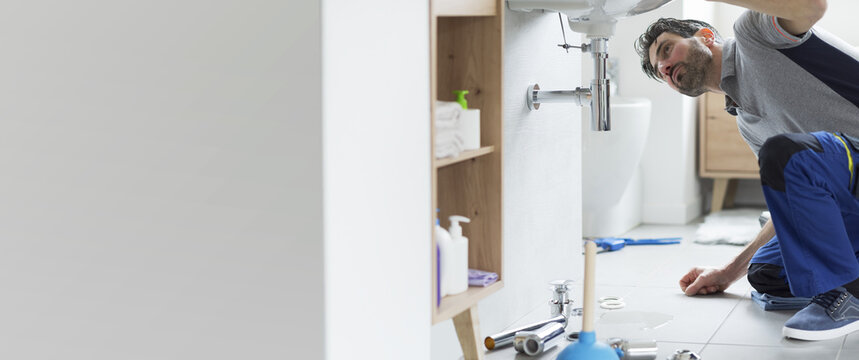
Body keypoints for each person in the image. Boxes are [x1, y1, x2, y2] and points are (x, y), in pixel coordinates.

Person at [634, 0, 859, 341]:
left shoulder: (753, 34)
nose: (665, 67)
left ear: (706, 36)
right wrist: (728, 272)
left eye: (667, 50)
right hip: (845, 182)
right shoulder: (748, 124)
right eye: (659, 69)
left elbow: (812, 5)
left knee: (785, 154)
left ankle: (850, 295)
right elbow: (789, 192)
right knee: (767, 273)